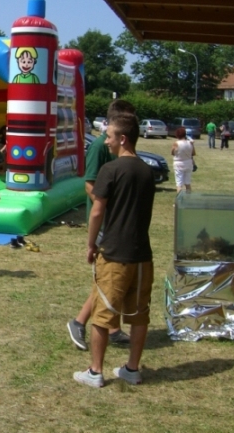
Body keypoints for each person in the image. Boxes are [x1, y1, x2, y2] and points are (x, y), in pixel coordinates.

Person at [73, 113, 155, 388]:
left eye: (109, 136)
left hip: (114, 254)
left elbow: (97, 211)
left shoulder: (110, 170)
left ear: (123, 139)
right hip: (142, 255)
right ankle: (132, 369)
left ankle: (95, 372)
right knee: (140, 314)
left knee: (102, 314)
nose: (105, 141)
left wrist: (90, 244)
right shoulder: (147, 171)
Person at [67, 100, 135, 351]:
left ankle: (112, 328)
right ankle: (79, 321)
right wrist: (108, 208)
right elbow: (90, 185)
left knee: (115, 277)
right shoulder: (99, 146)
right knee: (108, 277)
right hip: (106, 222)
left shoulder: (123, 146)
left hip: (118, 222)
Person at [171, 126, 195, 193]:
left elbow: (172, 153)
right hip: (188, 163)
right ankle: (189, 198)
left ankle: (179, 199)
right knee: (188, 183)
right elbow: (193, 153)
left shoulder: (176, 143)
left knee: (179, 184)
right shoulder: (190, 143)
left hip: (179, 163)